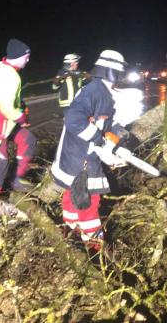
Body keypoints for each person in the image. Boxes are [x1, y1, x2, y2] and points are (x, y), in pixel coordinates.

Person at [51, 49, 133, 250]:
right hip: (82, 158)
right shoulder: (96, 91)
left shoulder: (99, 89)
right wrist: (100, 139)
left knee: (72, 196)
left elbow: (102, 120)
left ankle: (69, 232)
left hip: (74, 155)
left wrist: (117, 134)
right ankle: (97, 249)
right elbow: (74, 120)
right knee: (89, 202)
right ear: (113, 72)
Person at [0, 38, 37, 193]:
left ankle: (16, 179)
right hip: (1, 125)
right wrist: (21, 119)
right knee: (1, 162)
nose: (28, 60)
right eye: (26, 56)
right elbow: (6, 107)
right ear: (19, 56)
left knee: (28, 139)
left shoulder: (2, 68)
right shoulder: (11, 77)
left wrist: (20, 104)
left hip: (8, 123)